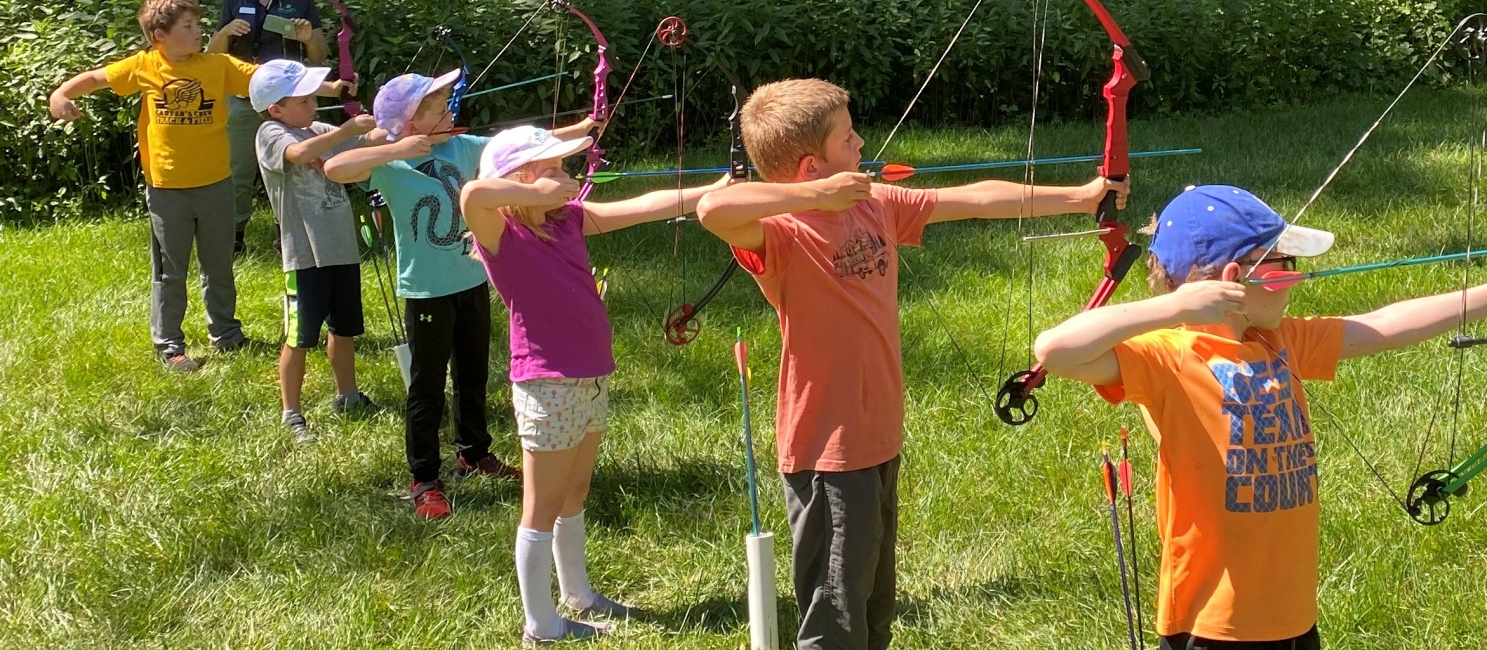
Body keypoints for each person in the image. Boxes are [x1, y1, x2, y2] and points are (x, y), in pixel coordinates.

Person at [1029, 185, 1487, 650]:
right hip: (1214, 621)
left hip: (1290, 612)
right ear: (1235, 280)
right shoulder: (1166, 356)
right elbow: (1054, 349)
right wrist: (1174, 306)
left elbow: (1386, 324)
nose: (1298, 278)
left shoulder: (1281, 340)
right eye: (1286, 266)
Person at [695, 78, 1130, 649]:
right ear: (809, 168)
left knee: (874, 615)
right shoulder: (780, 234)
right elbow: (712, 207)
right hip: (827, 452)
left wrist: (1080, 195)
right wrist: (816, 200)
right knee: (834, 624)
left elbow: (974, 198)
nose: (861, 143)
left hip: (877, 440)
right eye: (847, 139)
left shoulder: (874, 205)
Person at [462, 125, 734, 644]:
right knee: (541, 505)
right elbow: (474, 193)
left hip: (590, 375)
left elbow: (646, 205)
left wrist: (713, 190)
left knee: (575, 492)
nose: (565, 180)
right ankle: (540, 625)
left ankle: (579, 595)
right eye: (554, 171)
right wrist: (533, 191)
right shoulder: (500, 233)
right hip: (547, 383)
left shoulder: (568, 220)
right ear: (519, 179)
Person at [323, 73, 600, 518]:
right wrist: (396, 150)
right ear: (412, 123)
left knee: (472, 375)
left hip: (471, 280)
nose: (449, 109)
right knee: (427, 386)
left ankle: (474, 452)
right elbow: (335, 168)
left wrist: (583, 128)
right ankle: (425, 479)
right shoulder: (390, 165)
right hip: (426, 290)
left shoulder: (461, 146)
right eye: (437, 107)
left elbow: (522, 143)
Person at [47, 0, 260, 372]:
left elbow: (268, 80)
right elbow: (97, 77)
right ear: (160, 35)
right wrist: (61, 93)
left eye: (198, 24)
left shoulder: (217, 65)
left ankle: (226, 334)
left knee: (219, 265)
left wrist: (330, 86)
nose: (199, 32)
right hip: (167, 189)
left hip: (216, 184)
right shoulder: (145, 66)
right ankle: (169, 345)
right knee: (170, 271)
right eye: (188, 26)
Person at [250, 59, 383, 442]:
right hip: (304, 255)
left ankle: (348, 396)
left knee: (344, 329)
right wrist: (346, 129)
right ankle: (291, 412)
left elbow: (363, 143)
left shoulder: (317, 127)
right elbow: (299, 155)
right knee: (299, 335)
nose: (313, 104)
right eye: (305, 99)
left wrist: (388, 126)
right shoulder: (270, 132)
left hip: (341, 248)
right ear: (276, 108)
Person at [207, 0, 329, 255]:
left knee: (290, 165)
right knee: (237, 168)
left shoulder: (299, 0)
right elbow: (213, 54)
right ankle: (233, 237)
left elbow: (318, 56)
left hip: (288, 99)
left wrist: (305, 37)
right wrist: (225, 32)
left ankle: (287, 233)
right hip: (243, 95)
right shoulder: (235, 0)